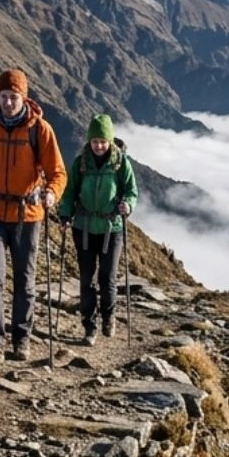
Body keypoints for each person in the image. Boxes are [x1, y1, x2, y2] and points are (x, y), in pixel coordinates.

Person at [0, 69, 67, 362]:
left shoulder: (39, 130)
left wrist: (52, 192)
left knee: (24, 280)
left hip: (28, 215)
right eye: (3, 96)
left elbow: (57, 172)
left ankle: (21, 338)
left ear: (24, 97)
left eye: (13, 97)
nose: (7, 102)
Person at [56, 114, 137, 345]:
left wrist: (128, 205)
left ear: (110, 141)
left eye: (103, 141)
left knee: (107, 278)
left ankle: (108, 316)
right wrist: (65, 215)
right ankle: (89, 326)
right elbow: (70, 191)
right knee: (86, 279)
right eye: (95, 141)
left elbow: (132, 190)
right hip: (83, 228)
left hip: (112, 228)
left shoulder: (121, 163)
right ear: (89, 141)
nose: (99, 146)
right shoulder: (80, 163)